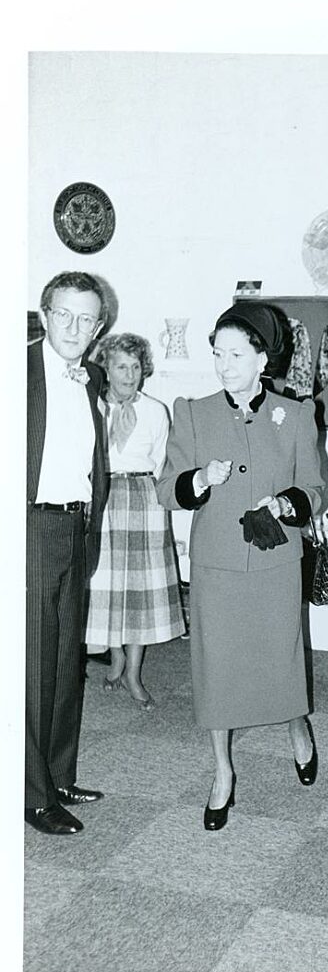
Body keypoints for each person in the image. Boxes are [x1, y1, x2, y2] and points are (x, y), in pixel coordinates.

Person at [156, 302, 324, 831]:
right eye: (217, 354)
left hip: (275, 560)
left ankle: (297, 727)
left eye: (235, 354)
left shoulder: (296, 414)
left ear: (262, 357)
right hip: (217, 566)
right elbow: (168, 489)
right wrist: (200, 480)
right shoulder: (192, 411)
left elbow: (315, 491)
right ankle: (222, 771)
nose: (224, 364)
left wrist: (286, 503)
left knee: (280, 658)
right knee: (217, 668)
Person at [26, 272, 109, 835]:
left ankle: (58, 774)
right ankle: (31, 795)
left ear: (100, 325)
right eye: (64, 315)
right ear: (44, 314)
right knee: (30, 667)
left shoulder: (92, 376)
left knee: (65, 663)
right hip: (29, 529)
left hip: (76, 528)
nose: (74, 328)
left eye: (87, 318)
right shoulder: (20, 369)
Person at [85, 333, 185, 709]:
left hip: (143, 498)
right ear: (106, 369)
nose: (129, 375)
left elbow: (161, 463)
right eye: (121, 366)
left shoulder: (156, 411)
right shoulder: (93, 407)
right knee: (108, 585)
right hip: (104, 497)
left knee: (141, 589)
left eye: (135, 367)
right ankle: (116, 659)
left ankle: (133, 672)